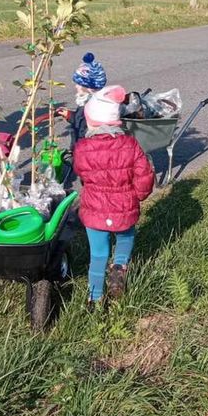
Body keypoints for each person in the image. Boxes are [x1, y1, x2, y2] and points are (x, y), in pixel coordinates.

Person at [72, 85, 155, 310]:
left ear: (91, 122)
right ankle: (119, 266)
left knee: (98, 254)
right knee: (125, 236)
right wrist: (136, 196)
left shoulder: (82, 148)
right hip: (124, 207)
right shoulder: (130, 145)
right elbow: (145, 176)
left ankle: (95, 298)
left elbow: (81, 173)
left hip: (94, 210)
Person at [56, 51, 107, 146]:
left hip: (85, 152)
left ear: (89, 87)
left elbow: (82, 129)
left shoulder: (91, 108)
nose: (76, 87)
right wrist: (69, 115)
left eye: (79, 84)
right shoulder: (88, 102)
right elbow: (81, 120)